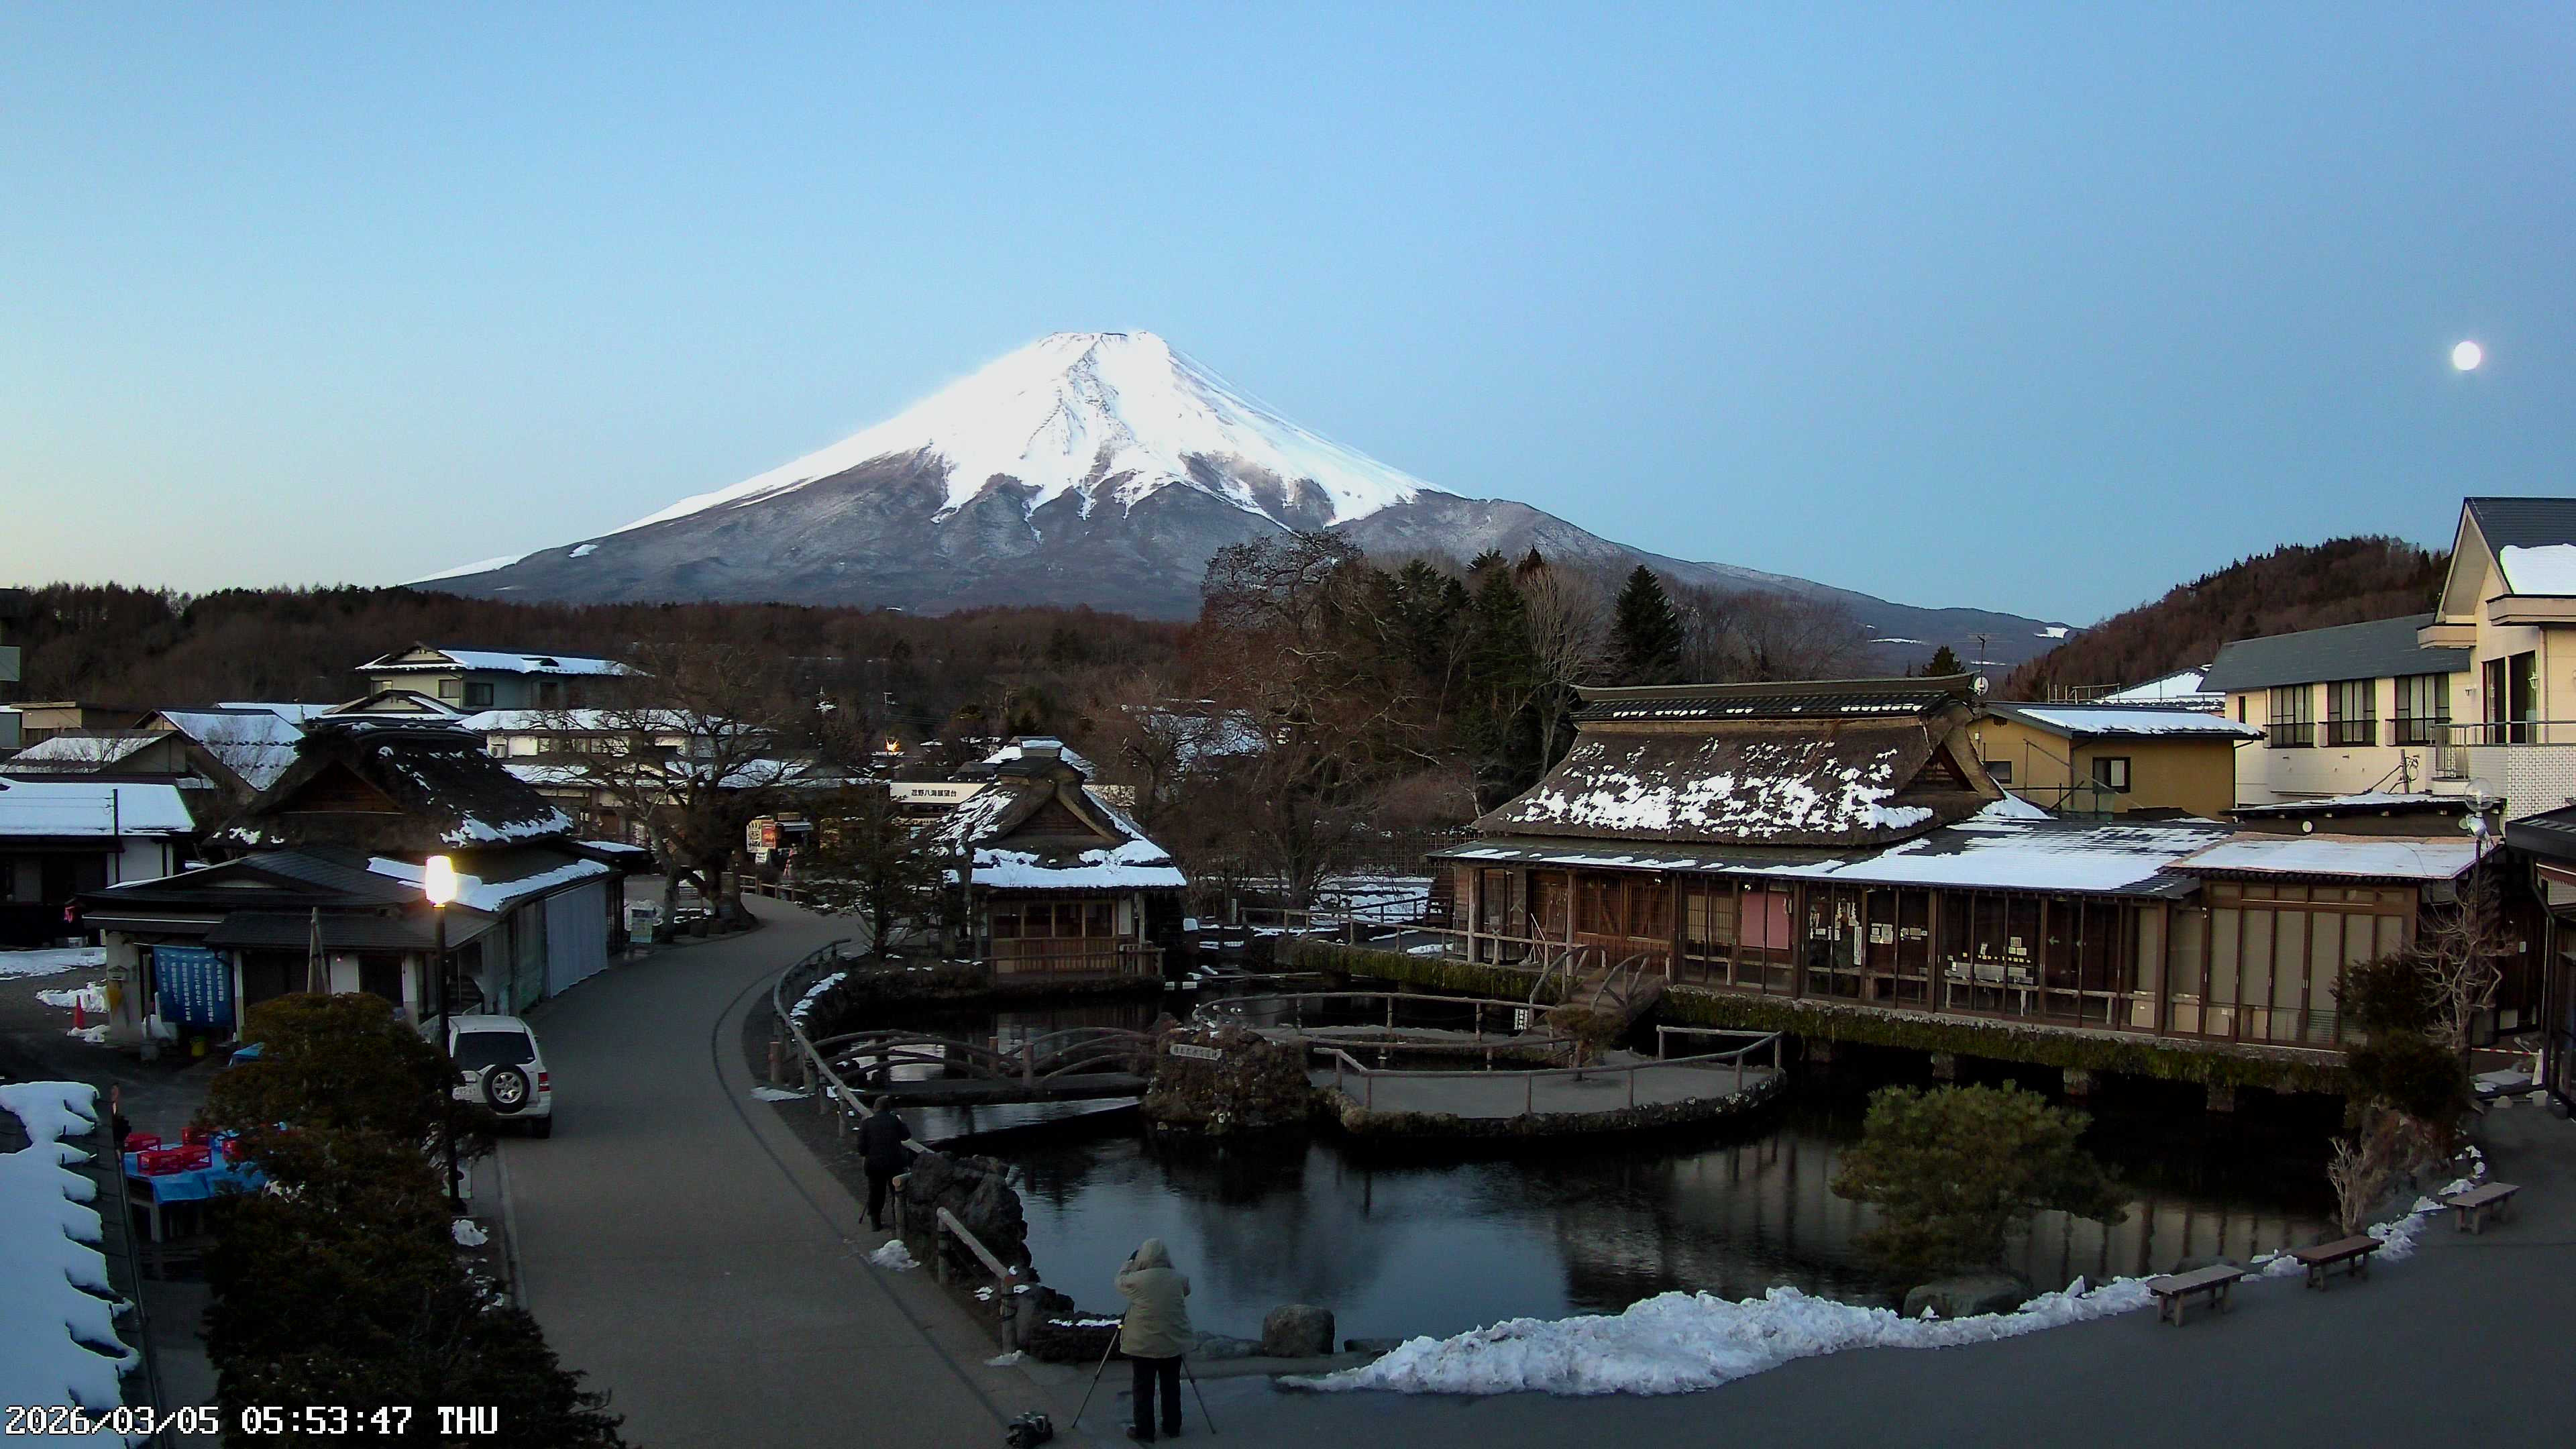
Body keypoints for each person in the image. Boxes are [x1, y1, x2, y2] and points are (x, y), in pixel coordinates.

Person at [1113, 1238, 1192, 1442]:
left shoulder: (1136, 1281)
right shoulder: (1179, 1279)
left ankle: (1145, 1431)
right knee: (1171, 1385)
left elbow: (1119, 1281)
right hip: (1172, 1342)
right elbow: (1185, 1291)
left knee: (1143, 1387)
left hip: (1143, 1345)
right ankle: (1173, 1426)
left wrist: (1129, 1263)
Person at [854, 1097, 912, 1232]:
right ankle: (899, 1221)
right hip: (894, 1163)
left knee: (875, 1192)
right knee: (896, 1193)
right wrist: (901, 1123)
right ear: (889, 1108)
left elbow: (861, 1148)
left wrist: (868, 1153)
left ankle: (876, 1221)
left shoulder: (867, 1124)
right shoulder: (894, 1121)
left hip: (874, 1164)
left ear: (876, 1108)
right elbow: (906, 1135)